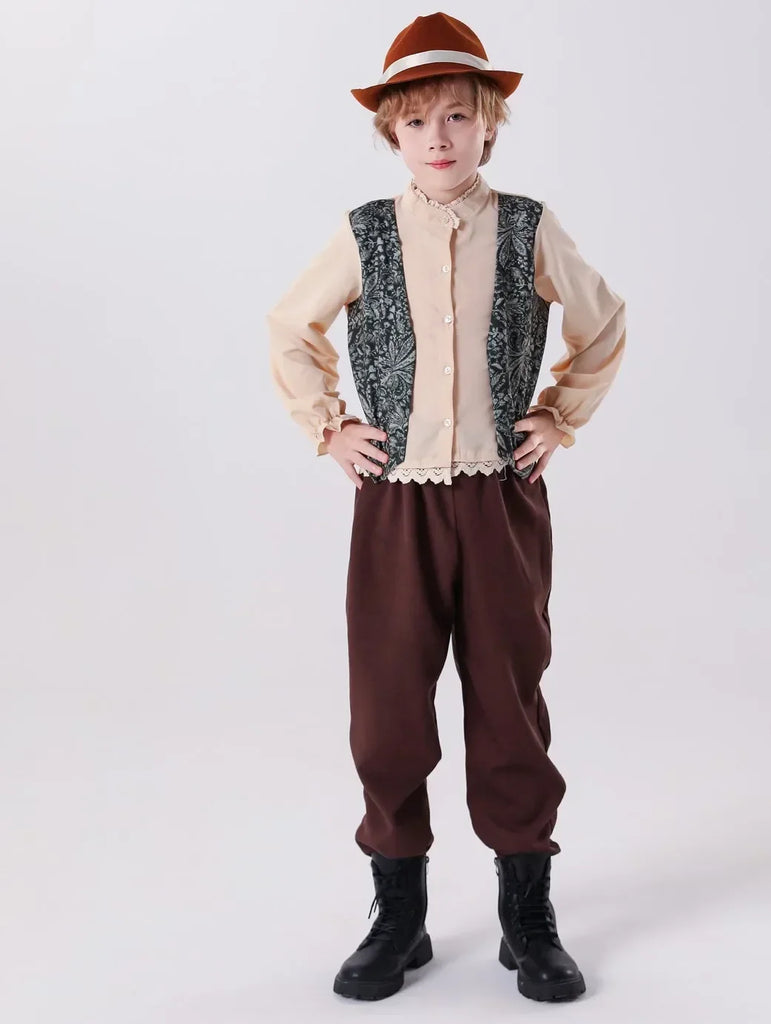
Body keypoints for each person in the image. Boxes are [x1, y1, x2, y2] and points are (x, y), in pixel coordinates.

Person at [266, 11, 627, 1004]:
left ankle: (526, 914)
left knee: (508, 700)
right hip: (397, 502)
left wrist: (557, 414)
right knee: (387, 707)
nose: (438, 136)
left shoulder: (528, 226)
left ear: (489, 126)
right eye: (417, 119)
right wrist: (329, 426)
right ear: (391, 132)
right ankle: (399, 913)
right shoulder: (365, 233)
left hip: (500, 498)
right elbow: (290, 328)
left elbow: (601, 323)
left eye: (458, 116)